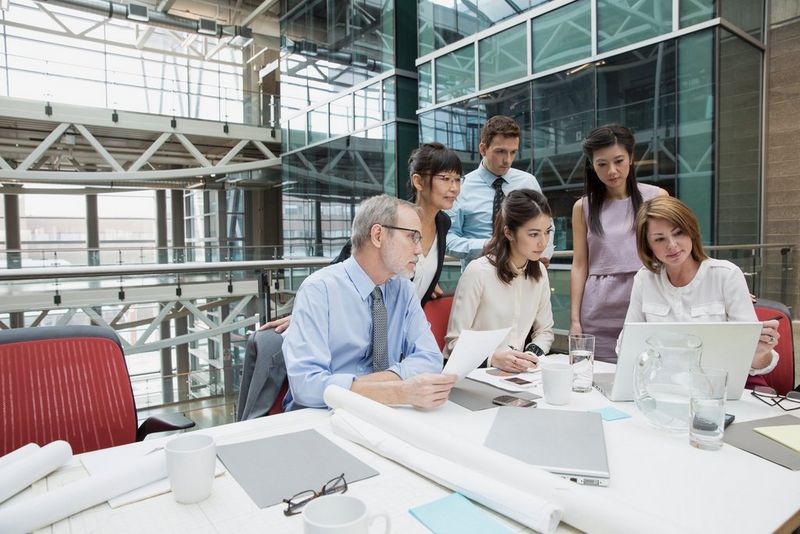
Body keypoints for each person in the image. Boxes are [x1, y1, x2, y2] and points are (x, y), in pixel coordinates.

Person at [262, 142, 462, 333]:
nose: (454, 188)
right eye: (445, 179)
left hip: (404, 331)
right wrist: (306, 311)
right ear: (418, 181)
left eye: (457, 179)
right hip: (366, 328)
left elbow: (419, 274)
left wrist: (424, 278)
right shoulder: (391, 219)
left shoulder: (443, 223)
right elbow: (343, 265)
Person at [281, 194, 457, 410]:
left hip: (382, 413)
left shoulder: (404, 289)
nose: (419, 250)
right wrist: (397, 391)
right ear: (378, 235)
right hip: (322, 415)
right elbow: (307, 387)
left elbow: (430, 358)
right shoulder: (319, 290)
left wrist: (369, 388)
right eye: (413, 237)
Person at [623, 196, 780, 376]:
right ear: (648, 246)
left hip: (717, 388)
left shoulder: (726, 275)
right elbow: (626, 345)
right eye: (660, 239)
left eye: (678, 233)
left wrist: (759, 353)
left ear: (691, 231)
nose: (672, 245)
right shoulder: (645, 279)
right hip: (661, 386)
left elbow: (756, 363)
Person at [570, 124, 668, 362]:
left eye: (619, 161)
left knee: (647, 371)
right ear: (592, 166)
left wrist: (712, 281)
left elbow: (675, 250)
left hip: (646, 301)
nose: (612, 170)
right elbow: (580, 265)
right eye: (602, 164)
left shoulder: (656, 197)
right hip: (597, 309)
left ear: (631, 158)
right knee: (595, 378)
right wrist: (574, 319)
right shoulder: (583, 207)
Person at [444, 189, 555, 373]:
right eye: (534, 234)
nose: (543, 243)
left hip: (517, 376)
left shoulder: (539, 272)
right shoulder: (478, 272)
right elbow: (454, 344)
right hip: (477, 375)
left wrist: (530, 355)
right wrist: (493, 358)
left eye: (547, 232)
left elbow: (545, 331)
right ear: (509, 233)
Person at [446, 115, 554, 270]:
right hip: (480, 279)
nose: (507, 160)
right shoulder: (460, 187)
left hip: (526, 275)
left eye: (513, 152)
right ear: (483, 149)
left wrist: (545, 253)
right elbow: (448, 238)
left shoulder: (528, 182)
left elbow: (548, 225)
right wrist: (485, 245)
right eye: (500, 152)